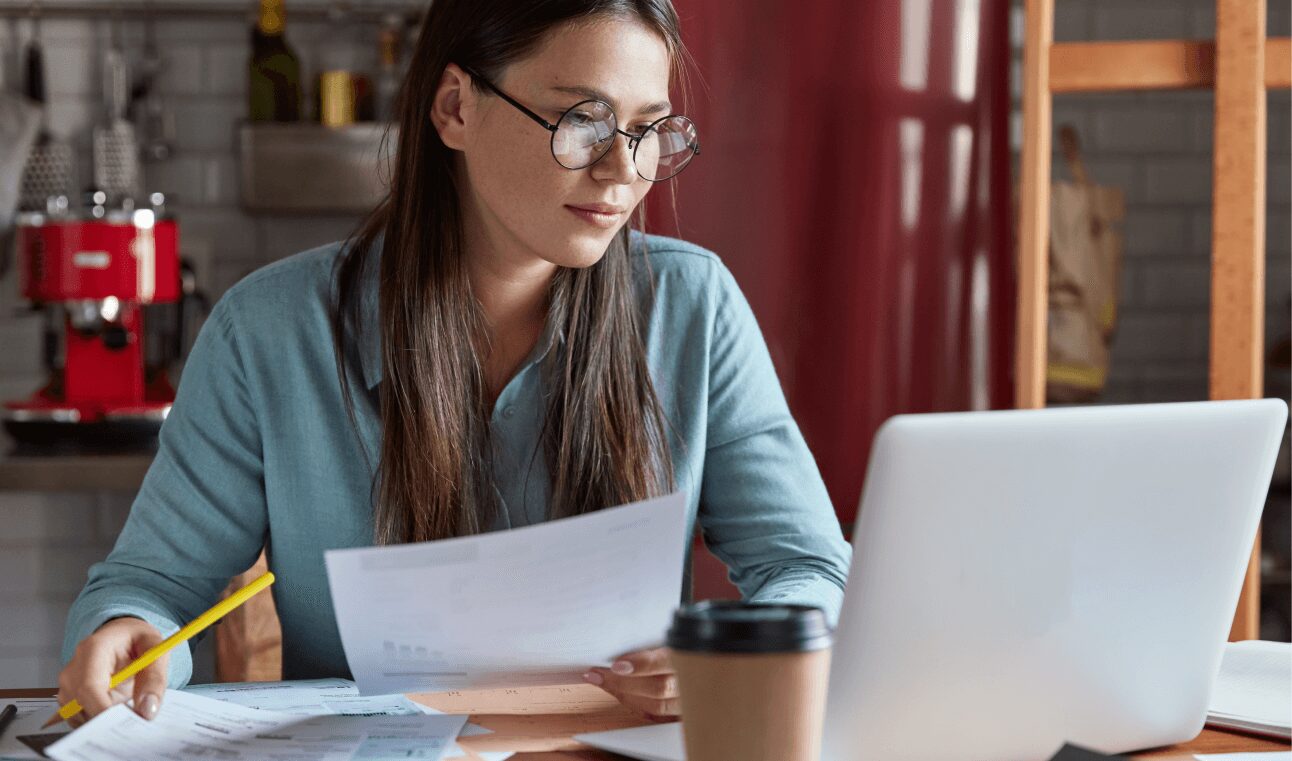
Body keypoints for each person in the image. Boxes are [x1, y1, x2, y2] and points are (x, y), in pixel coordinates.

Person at [57, 0, 851, 725]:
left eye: (651, 130)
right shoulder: (264, 333)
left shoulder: (694, 306)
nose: (624, 172)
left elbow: (809, 566)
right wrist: (128, 630)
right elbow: (154, 586)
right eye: (583, 121)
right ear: (455, 107)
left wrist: (744, 644)